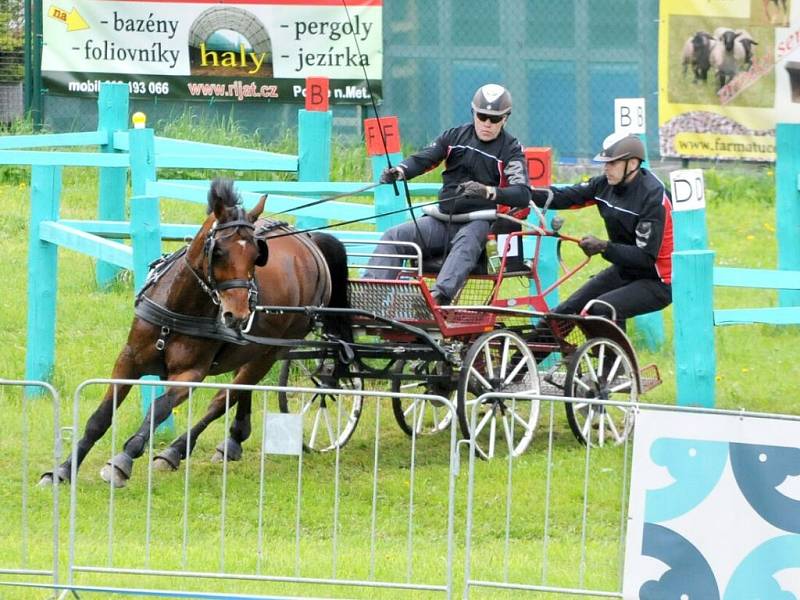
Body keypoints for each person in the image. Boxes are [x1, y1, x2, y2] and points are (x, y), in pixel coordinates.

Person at [363, 83, 531, 305]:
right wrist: (400, 171)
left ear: (505, 119)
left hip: (481, 223)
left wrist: (488, 192)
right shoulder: (454, 136)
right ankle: (369, 297)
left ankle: (436, 299)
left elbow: (522, 194)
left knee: (467, 242)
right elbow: (425, 158)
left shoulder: (510, 150)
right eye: (482, 116)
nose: (487, 124)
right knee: (395, 235)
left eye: (495, 119)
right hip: (442, 220)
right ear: (473, 113)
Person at [531, 132, 673, 327]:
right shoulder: (604, 184)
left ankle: (616, 357)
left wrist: (604, 247)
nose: (606, 168)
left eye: (612, 163)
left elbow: (645, 257)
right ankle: (517, 358)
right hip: (624, 270)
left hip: (657, 281)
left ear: (632, 164)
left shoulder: (653, 197)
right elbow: (562, 197)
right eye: (605, 163)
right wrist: (522, 193)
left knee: (600, 308)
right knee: (563, 314)